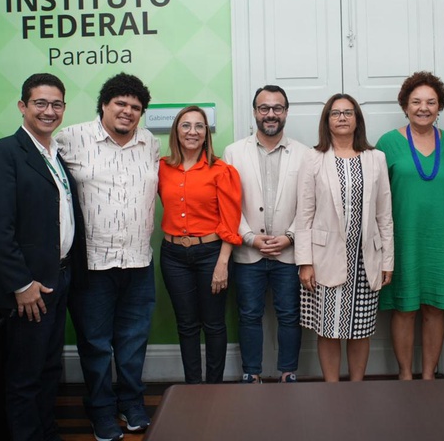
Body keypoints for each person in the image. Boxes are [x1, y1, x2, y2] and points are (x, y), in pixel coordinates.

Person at [0, 73, 87, 441]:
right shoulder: (4, 153)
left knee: (49, 368)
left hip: (59, 279)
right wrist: (21, 284)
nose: (49, 111)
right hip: (30, 287)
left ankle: (47, 433)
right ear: (22, 106)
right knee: (25, 376)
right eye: (40, 103)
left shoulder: (55, 155)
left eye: (56, 104)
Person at [57, 73, 159, 441]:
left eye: (136, 107)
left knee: (133, 341)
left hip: (139, 262)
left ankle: (131, 403)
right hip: (92, 265)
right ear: (104, 104)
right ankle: (100, 410)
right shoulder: (71, 138)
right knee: (96, 344)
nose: (128, 111)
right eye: (121, 103)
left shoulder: (150, 143)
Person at [296, 94, 394, 382]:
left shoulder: (376, 158)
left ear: (357, 120)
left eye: (348, 112)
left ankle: (356, 388)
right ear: (327, 120)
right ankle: (332, 389)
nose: (342, 117)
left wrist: (387, 260)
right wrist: (305, 262)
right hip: (324, 258)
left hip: (366, 259)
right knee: (328, 329)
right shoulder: (313, 158)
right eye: (335, 113)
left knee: (360, 329)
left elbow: (384, 214)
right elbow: (304, 214)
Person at [376, 71, 444, 380]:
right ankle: (405, 376)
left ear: (440, 106)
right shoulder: (387, 143)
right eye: (416, 102)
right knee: (405, 307)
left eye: (431, 102)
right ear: (405, 106)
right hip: (403, 239)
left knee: (435, 308)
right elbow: (376, 196)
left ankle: (428, 376)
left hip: (440, 239)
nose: (423, 108)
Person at [223, 85, 307, 384]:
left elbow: (309, 204)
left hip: (289, 252)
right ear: (255, 112)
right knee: (249, 315)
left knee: (290, 315)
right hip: (248, 252)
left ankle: (288, 373)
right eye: (264, 108)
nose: (271, 114)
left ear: (286, 112)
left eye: (277, 108)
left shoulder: (305, 154)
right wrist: (249, 237)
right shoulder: (234, 152)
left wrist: (290, 236)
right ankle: (252, 374)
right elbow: (228, 203)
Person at [158, 105, 243, 384]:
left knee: (214, 324)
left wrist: (222, 263)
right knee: (186, 325)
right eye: (186, 125)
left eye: (199, 126)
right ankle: (193, 388)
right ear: (176, 131)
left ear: (206, 133)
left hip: (211, 254)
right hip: (173, 256)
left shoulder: (221, 171)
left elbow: (230, 221)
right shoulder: (161, 168)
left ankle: (213, 388)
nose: (192, 131)